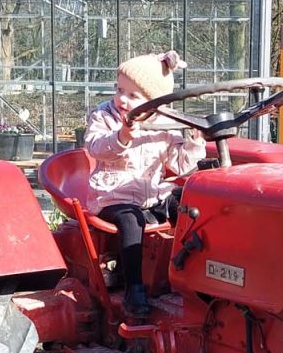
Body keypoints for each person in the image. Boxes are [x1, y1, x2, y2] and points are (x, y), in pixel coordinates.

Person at [85, 49, 204, 318]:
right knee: (131, 220)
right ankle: (134, 290)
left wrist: (195, 142)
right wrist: (123, 136)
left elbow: (179, 165)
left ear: (153, 101)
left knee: (191, 203)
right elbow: (95, 147)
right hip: (113, 195)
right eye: (119, 90)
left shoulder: (164, 123)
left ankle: (191, 278)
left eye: (133, 95)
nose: (122, 99)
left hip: (152, 194)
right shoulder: (104, 117)